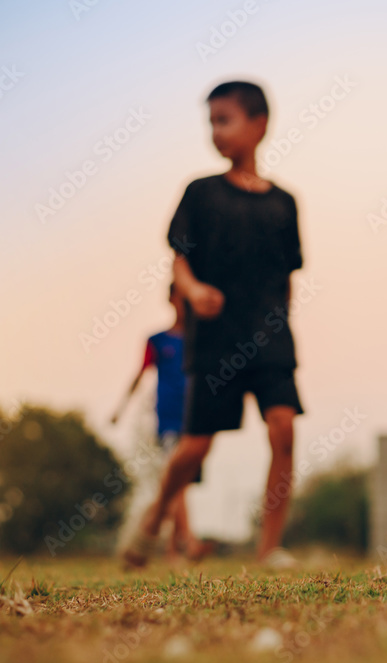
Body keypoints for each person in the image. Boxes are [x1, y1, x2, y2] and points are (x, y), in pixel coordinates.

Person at [123, 80, 304, 569]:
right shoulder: (200, 193)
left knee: (283, 427)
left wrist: (282, 326)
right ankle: (155, 517)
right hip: (216, 339)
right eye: (211, 123)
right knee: (194, 447)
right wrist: (193, 290)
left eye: (225, 119)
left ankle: (270, 548)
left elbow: (288, 275)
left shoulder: (283, 203)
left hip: (270, 337)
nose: (216, 132)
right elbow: (178, 262)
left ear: (259, 124)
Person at [111, 284, 211, 561]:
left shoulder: (200, 338)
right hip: (168, 418)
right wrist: (120, 409)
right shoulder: (157, 340)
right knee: (177, 483)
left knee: (180, 484)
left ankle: (162, 543)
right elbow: (139, 374)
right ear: (171, 299)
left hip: (196, 417)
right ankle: (187, 543)